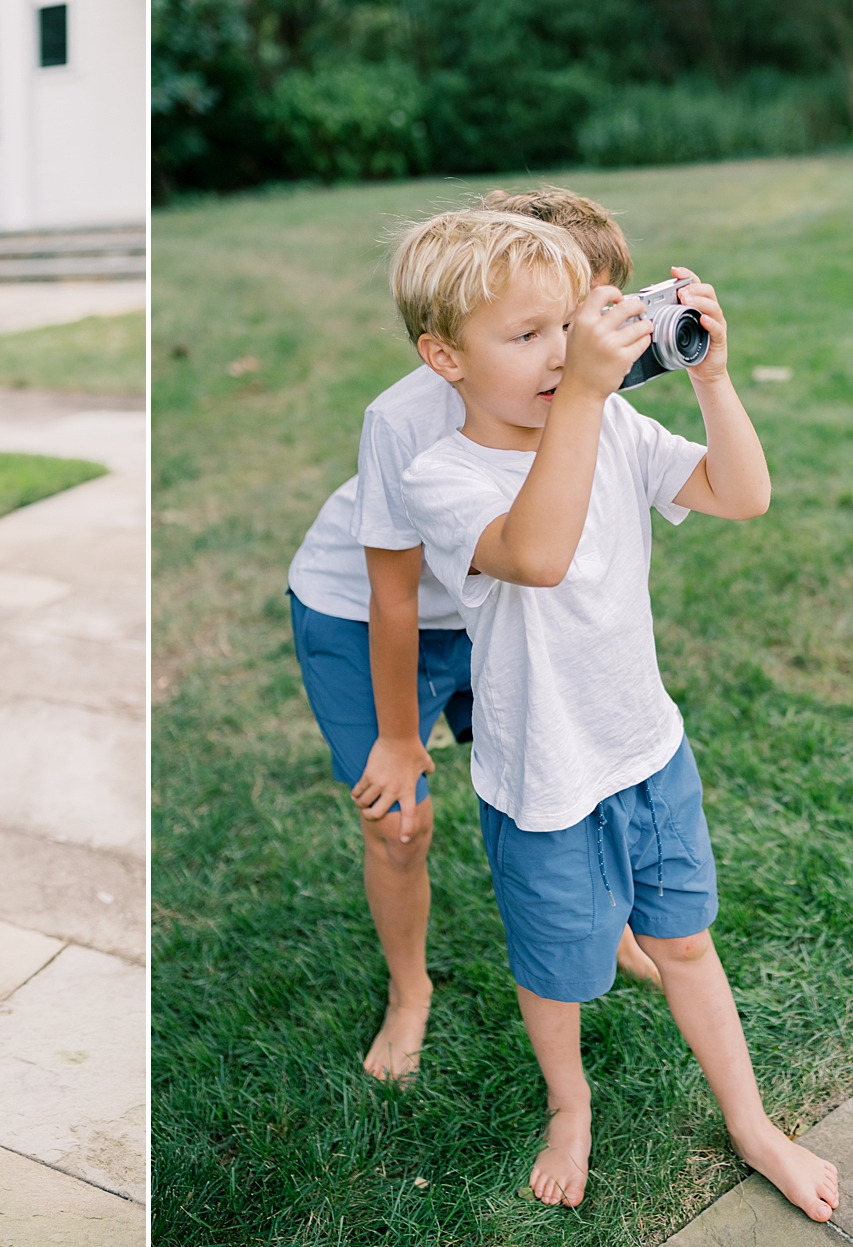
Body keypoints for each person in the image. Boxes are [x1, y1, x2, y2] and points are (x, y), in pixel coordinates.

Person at [396, 209, 842, 1220]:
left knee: (685, 942)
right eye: (523, 337)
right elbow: (537, 553)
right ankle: (569, 1102)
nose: (559, 354)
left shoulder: (614, 428)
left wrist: (710, 377)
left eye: (567, 325)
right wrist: (584, 402)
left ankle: (750, 1120)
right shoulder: (443, 476)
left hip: (645, 750)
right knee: (556, 973)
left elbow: (741, 494)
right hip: (542, 780)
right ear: (442, 358)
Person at [285, 188, 660, 1084]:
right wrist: (401, 735)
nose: (589, 343)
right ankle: (410, 991)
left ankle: (614, 926)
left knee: (569, 779)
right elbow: (393, 594)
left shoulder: (585, 389)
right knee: (400, 823)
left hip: (504, 609)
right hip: (375, 613)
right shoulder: (406, 417)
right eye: (564, 320)